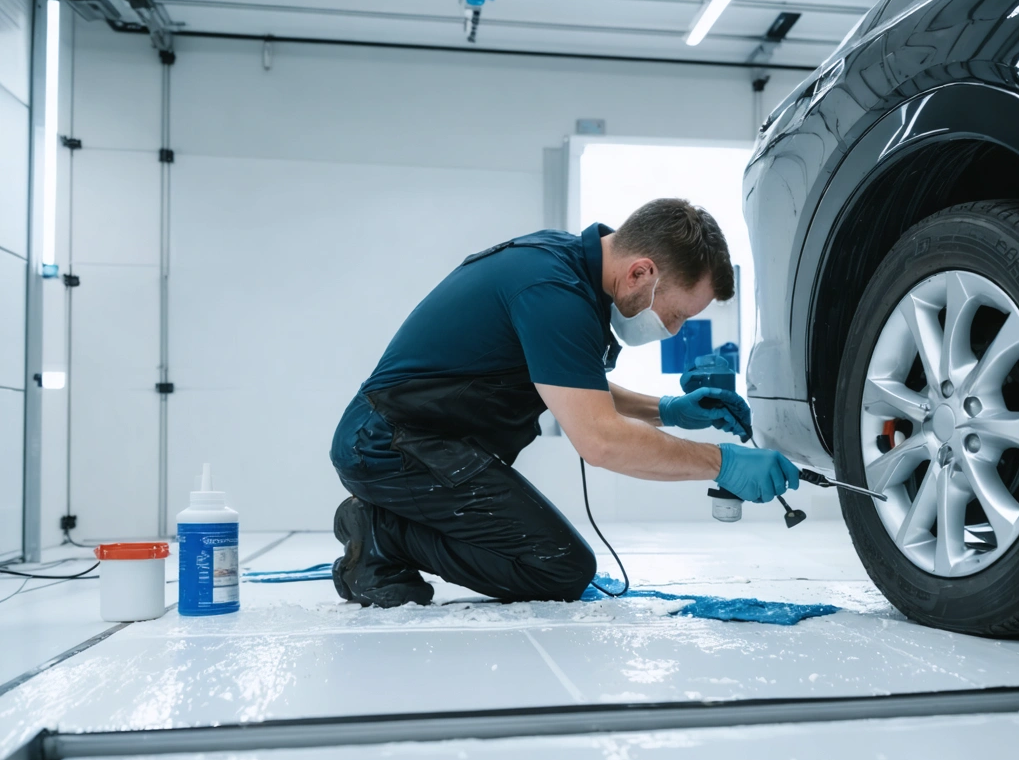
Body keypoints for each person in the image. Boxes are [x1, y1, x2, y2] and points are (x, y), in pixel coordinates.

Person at [329, 198, 800, 607]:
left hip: (419, 441)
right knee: (558, 568)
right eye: (675, 315)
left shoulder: (563, 268)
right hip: (389, 444)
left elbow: (565, 383)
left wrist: (669, 409)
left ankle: (387, 526)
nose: (674, 332)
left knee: (556, 561)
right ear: (640, 273)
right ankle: (380, 534)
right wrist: (722, 463)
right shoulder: (553, 293)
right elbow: (600, 442)